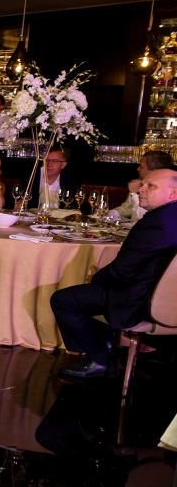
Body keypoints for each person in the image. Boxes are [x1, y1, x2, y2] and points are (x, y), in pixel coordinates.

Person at [52, 168, 177, 379]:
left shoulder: (156, 223)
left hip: (142, 301)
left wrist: (96, 279)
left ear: (173, 194)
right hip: (169, 300)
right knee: (93, 292)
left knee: (64, 300)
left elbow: (122, 271)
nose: (140, 189)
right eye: (142, 184)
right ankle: (108, 348)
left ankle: (99, 359)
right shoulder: (170, 217)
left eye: (150, 186)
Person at [109, 150, 174, 222]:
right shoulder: (139, 183)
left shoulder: (165, 190)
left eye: (141, 166)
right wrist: (110, 214)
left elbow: (146, 219)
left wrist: (135, 194)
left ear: (154, 171)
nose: (138, 169)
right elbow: (127, 209)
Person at [27, 144, 79, 209]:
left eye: (54, 161)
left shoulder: (70, 182)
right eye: (46, 160)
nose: (49, 164)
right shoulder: (32, 177)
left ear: (63, 165)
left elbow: (74, 206)